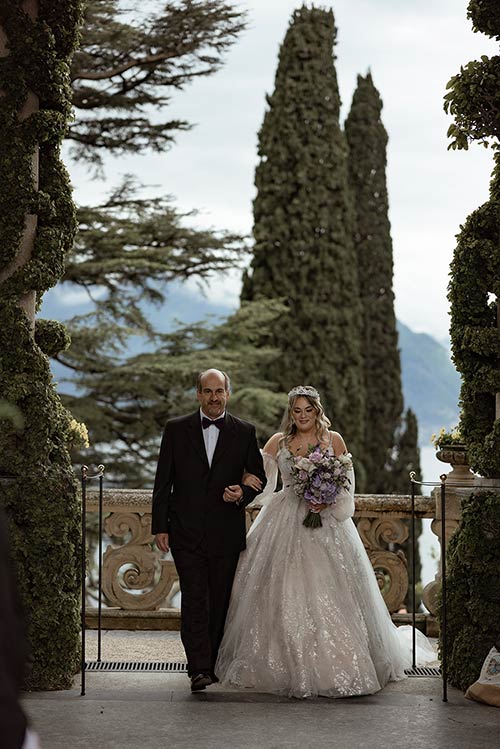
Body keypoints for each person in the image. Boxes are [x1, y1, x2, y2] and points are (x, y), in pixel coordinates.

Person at [215, 385, 436, 698]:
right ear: (290, 413)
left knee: (332, 590)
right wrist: (240, 489)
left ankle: (338, 663)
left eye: (308, 410)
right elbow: (262, 482)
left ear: (318, 411)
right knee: (280, 588)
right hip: (284, 519)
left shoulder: (333, 440)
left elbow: (347, 487)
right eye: (297, 410)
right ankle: (278, 662)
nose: (303, 416)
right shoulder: (279, 442)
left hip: (326, 523)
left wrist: (327, 500)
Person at [152, 368, 266, 692]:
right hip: (185, 531)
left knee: (219, 601)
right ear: (198, 394)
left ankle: (213, 663)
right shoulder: (176, 430)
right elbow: (163, 482)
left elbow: (258, 477)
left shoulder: (245, 432)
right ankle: (198, 668)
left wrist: (241, 494)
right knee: (193, 599)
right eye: (208, 391)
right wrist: (160, 526)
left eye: (220, 392)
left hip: (226, 532)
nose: (214, 398)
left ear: (228, 394)